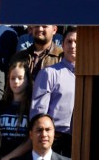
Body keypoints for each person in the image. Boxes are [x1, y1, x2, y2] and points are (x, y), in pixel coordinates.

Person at [31, 29, 76, 157]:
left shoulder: (90, 77)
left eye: (77, 41)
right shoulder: (49, 73)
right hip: (56, 140)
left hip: (84, 141)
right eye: (69, 41)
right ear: (62, 45)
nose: (72, 46)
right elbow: (38, 114)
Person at [0, 60, 32, 159]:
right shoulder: (2, 105)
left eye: (20, 78)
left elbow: (30, 141)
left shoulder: (31, 107)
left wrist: (8, 158)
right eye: (12, 78)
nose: (16, 82)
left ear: (27, 80)